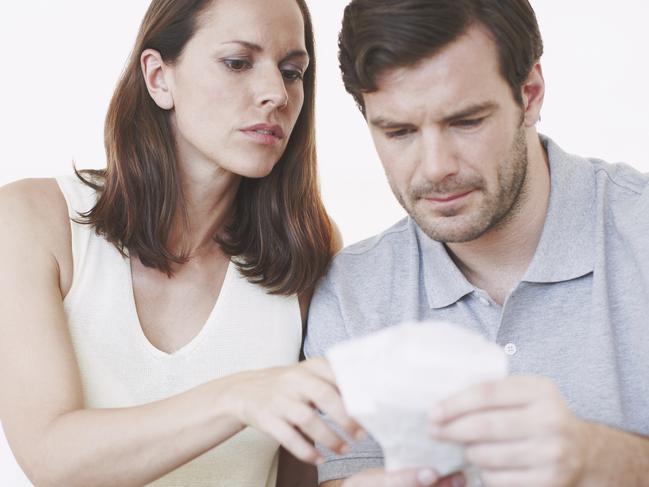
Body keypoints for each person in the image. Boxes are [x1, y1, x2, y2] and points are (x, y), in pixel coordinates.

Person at [0, 0, 363, 485]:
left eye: (292, 71)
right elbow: (52, 457)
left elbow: (307, 472)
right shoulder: (32, 219)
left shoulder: (308, 248)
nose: (276, 93)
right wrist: (238, 397)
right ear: (158, 77)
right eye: (237, 63)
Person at [304, 0, 649, 486]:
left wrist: (602, 459)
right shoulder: (350, 295)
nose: (435, 166)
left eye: (465, 121)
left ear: (529, 94)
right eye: (399, 132)